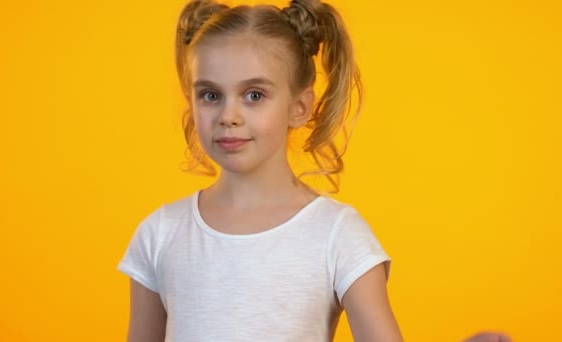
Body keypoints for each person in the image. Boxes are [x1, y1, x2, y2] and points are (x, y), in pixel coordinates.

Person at [117, 0, 511, 341]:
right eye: (210, 95)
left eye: (254, 95)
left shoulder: (338, 235)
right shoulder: (160, 234)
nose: (228, 116)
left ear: (299, 107)